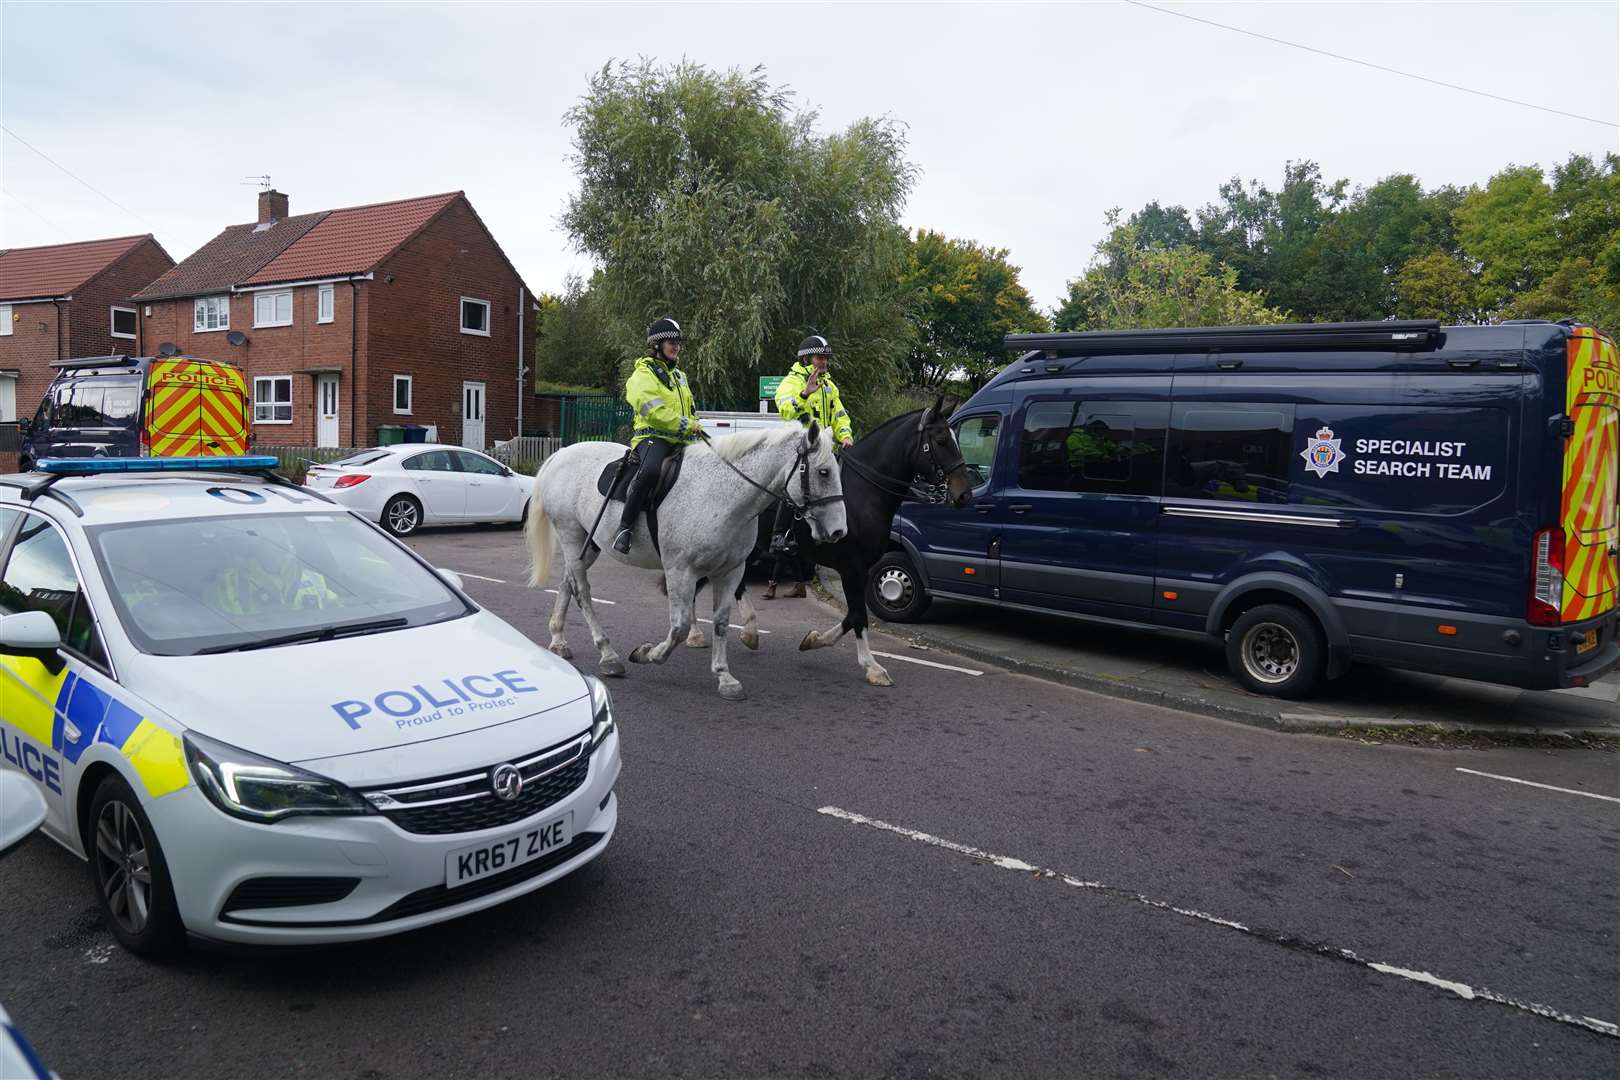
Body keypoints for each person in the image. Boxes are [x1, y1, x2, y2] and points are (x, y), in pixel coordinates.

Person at [764, 334, 855, 599]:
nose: (824, 361)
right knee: (791, 491)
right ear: (806, 359)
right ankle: (778, 535)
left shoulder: (829, 385)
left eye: (826, 357)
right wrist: (804, 393)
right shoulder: (791, 382)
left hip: (826, 450)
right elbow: (785, 409)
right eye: (819, 357)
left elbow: (839, 413)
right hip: (802, 449)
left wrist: (846, 434)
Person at [612, 317, 704, 554]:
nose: (676, 346)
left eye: (678, 342)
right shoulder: (642, 375)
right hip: (653, 437)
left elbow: (690, 408)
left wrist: (696, 424)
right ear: (657, 345)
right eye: (671, 342)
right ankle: (625, 527)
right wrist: (686, 425)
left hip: (683, 438)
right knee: (651, 471)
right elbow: (654, 412)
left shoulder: (679, 376)